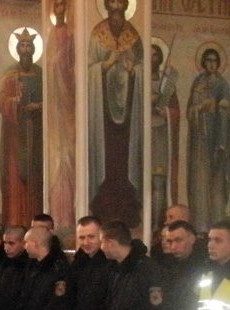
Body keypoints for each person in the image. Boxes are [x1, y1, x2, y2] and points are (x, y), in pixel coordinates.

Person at [88, 0, 144, 230]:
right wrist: (105, 65)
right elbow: (89, 68)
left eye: (121, 2)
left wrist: (133, 70)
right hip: (103, 110)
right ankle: (104, 209)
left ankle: (127, 210)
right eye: (113, 2)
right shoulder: (97, 34)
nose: (117, 6)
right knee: (107, 156)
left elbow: (142, 67)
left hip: (128, 111)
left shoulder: (134, 35)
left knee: (124, 157)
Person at [0, 28, 43, 228]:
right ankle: (16, 222)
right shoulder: (10, 74)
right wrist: (15, 101)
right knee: (16, 178)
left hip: (38, 132)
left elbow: (52, 98)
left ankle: (37, 221)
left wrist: (39, 106)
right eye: (22, 46)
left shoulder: (41, 74)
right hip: (16, 135)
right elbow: (2, 100)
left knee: (36, 177)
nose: (25, 49)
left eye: (29, 46)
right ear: (17, 49)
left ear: (33, 49)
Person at [187, 47, 230, 231]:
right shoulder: (198, 82)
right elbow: (190, 111)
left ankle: (217, 222)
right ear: (204, 63)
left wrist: (217, 106)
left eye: (215, 61)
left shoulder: (222, 84)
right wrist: (199, 108)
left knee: (216, 180)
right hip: (200, 140)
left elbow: (227, 112)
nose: (212, 64)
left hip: (216, 139)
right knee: (200, 180)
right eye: (208, 60)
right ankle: (200, 224)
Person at [46, 0, 76, 230]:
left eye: (62, 6)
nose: (59, 10)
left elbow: (72, 66)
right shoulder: (50, 37)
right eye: (56, 6)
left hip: (68, 96)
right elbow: (51, 63)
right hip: (55, 98)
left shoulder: (72, 37)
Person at [150, 43, 180, 232]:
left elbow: (175, 110)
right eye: (149, 55)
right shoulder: (139, 81)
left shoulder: (167, 83)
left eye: (155, 55)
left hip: (160, 136)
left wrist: (164, 110)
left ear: (160, 59)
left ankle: (156, 226)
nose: (152, 59)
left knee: (159, 181)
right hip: (142, 138)